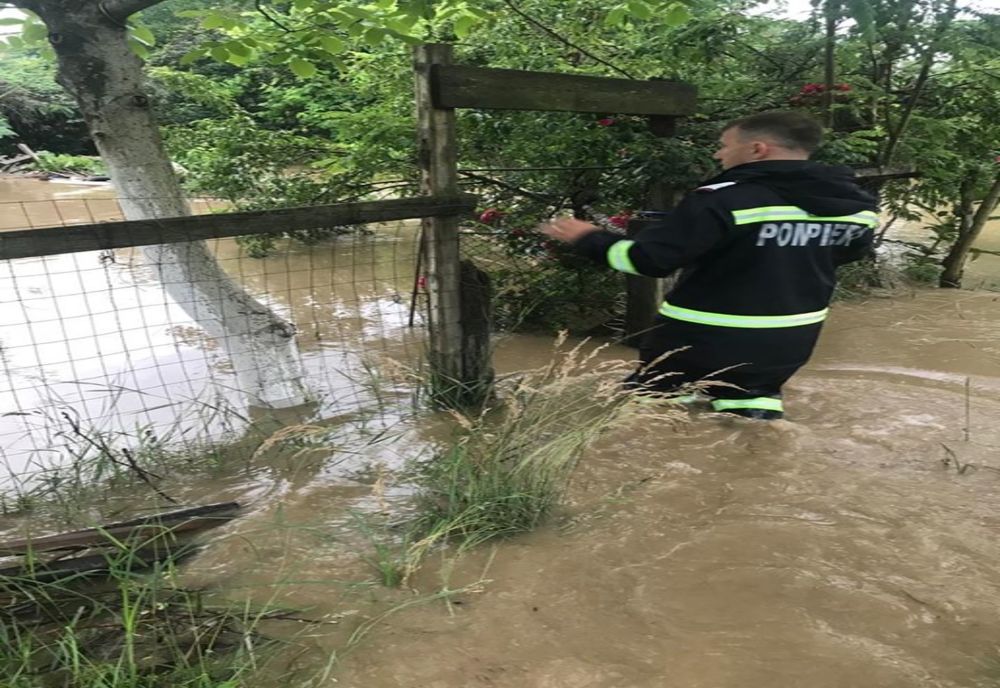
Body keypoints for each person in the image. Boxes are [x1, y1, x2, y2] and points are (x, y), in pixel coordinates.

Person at [540, 111, 878, 420]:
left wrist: (589, 238)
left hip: (698, 338)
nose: (719, 155)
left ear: (757, 149)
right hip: (789, 340)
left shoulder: (724, 198)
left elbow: (649, 260)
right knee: (751, 411)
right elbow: (845, 254)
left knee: (653, 415)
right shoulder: (854, 204)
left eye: (724, 146)